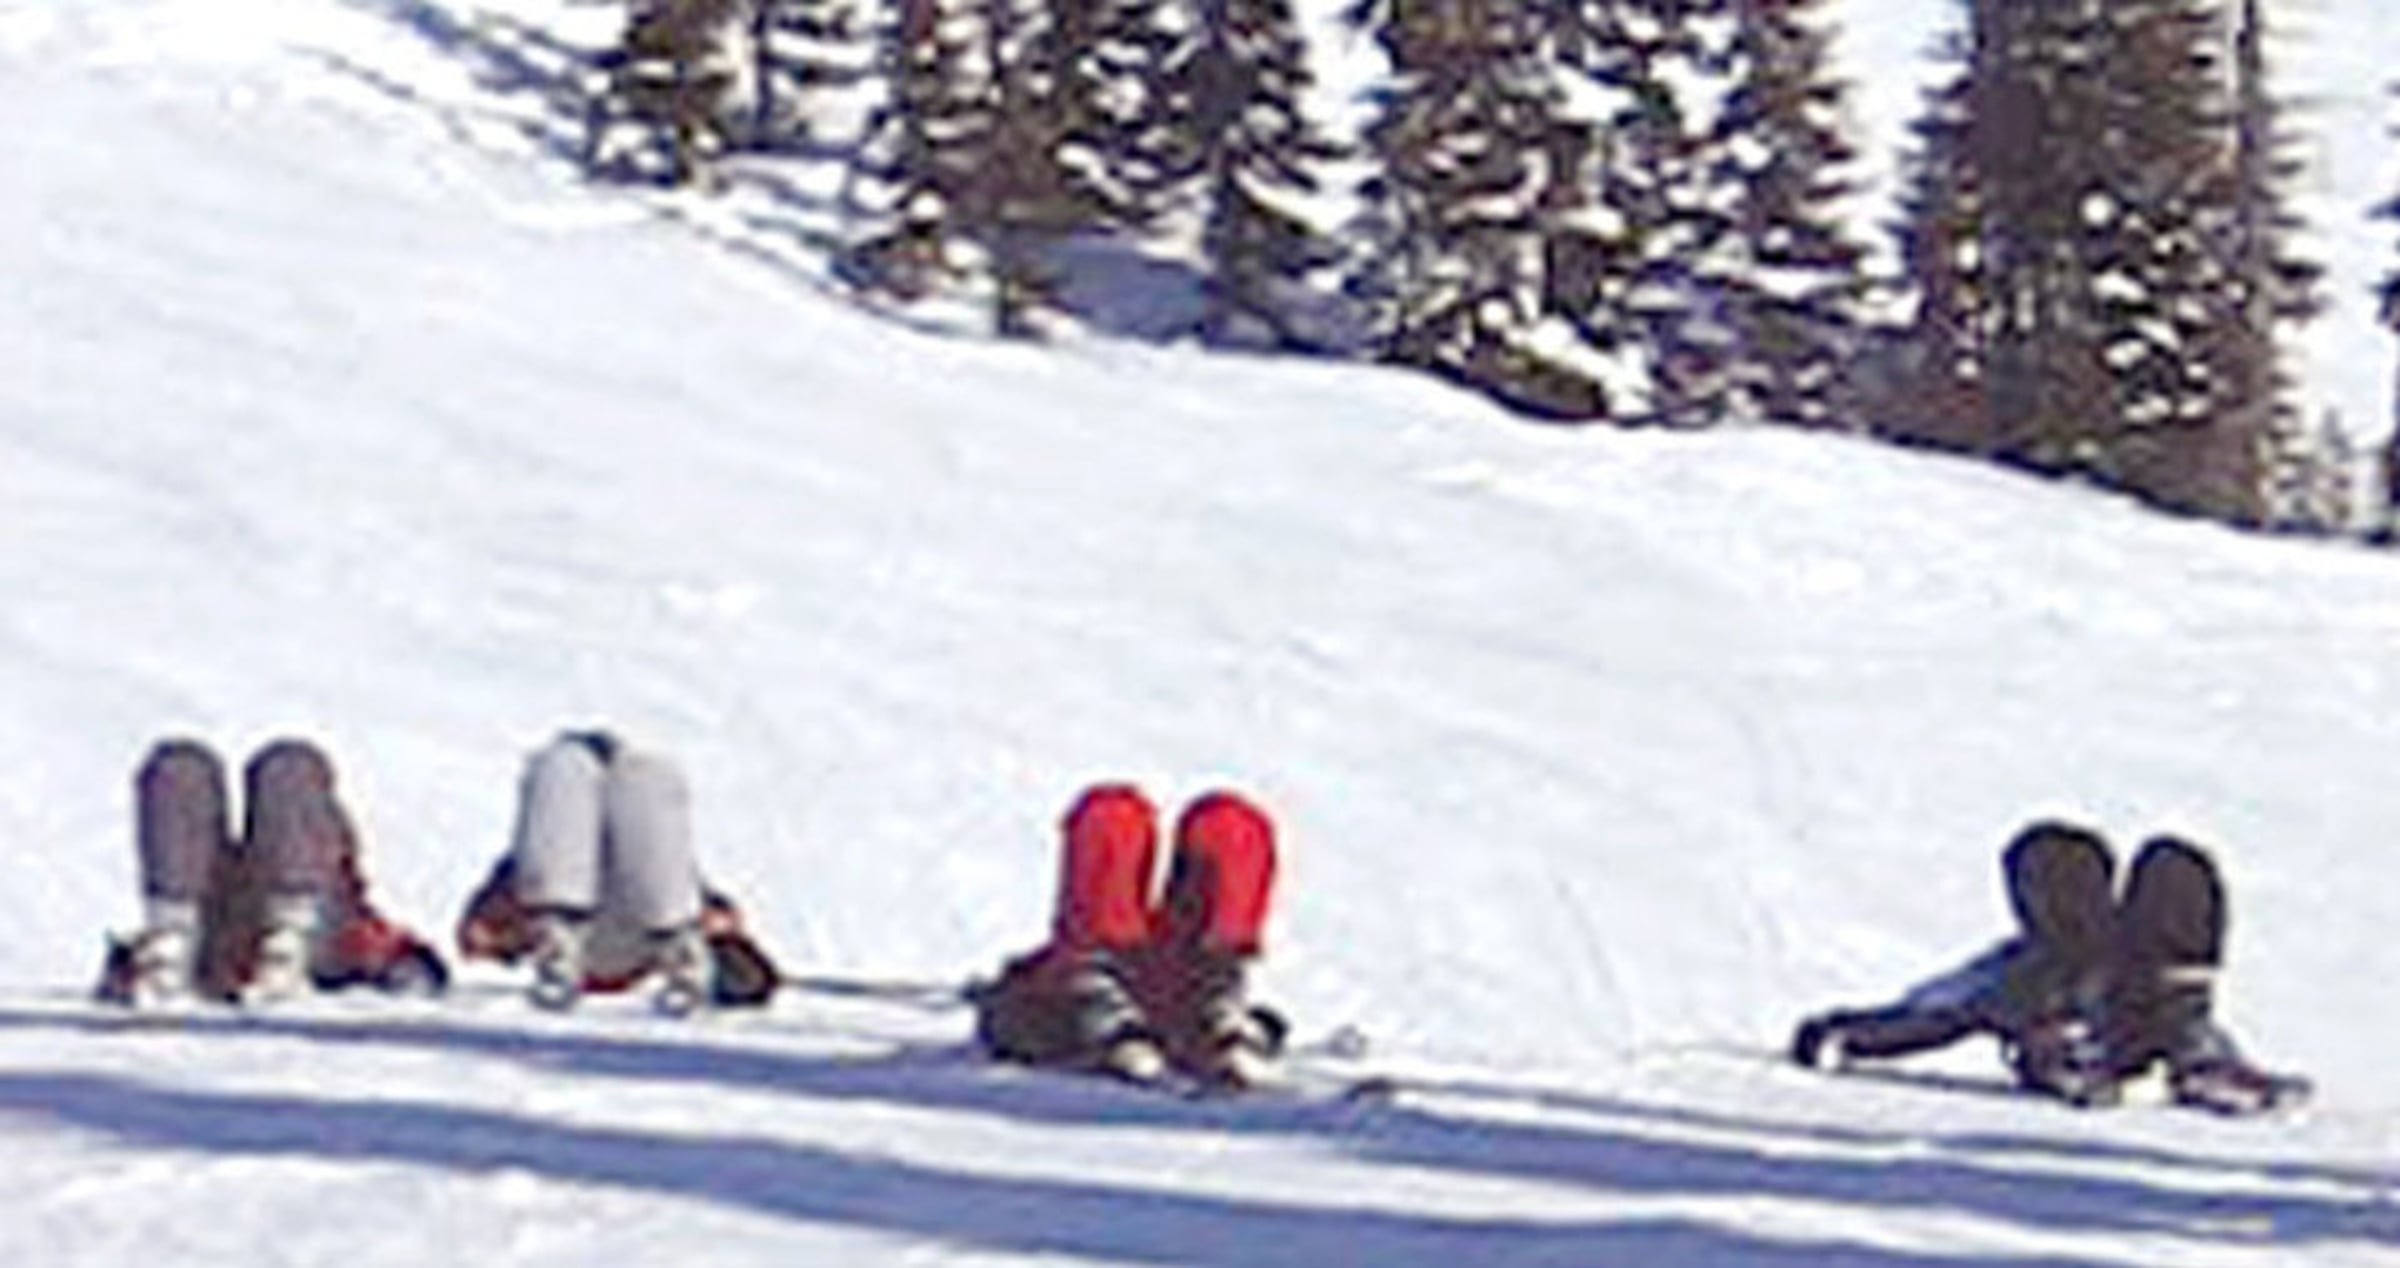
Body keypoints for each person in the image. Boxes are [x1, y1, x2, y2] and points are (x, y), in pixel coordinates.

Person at [1790, 821, 2301, 1114]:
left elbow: (1938, 1010)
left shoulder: (2012, 974)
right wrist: (1840, 1035)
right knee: (2074, 887)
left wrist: (1842, 1035)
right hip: (2080, 1002)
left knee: (2175, 873)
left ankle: (2166, 1034)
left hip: (2137, 1007)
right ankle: (2088, 1026)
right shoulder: (2013, 976)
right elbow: (1932, 1013)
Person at [971, 783, 1289, 1088]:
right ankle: (1103, 981)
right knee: (1118, 821)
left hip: (1162, 979)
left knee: (1227, 829)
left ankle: (1197, 977)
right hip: (1156, 985)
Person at [98, 737, 448, 1008]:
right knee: (286, 770)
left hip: (220, 934)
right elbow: (404, 960)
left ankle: (173, 934)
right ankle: (286, 938)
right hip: (309, 929)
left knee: (190, 771)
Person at [455, 730, 779, 1015]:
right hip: (628, 932)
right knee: (590, 774)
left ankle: (577, 943)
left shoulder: (544, 854)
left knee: (607, 777)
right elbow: (481, 931)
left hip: (624, 934)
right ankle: (671, 950)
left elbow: (480, 928)